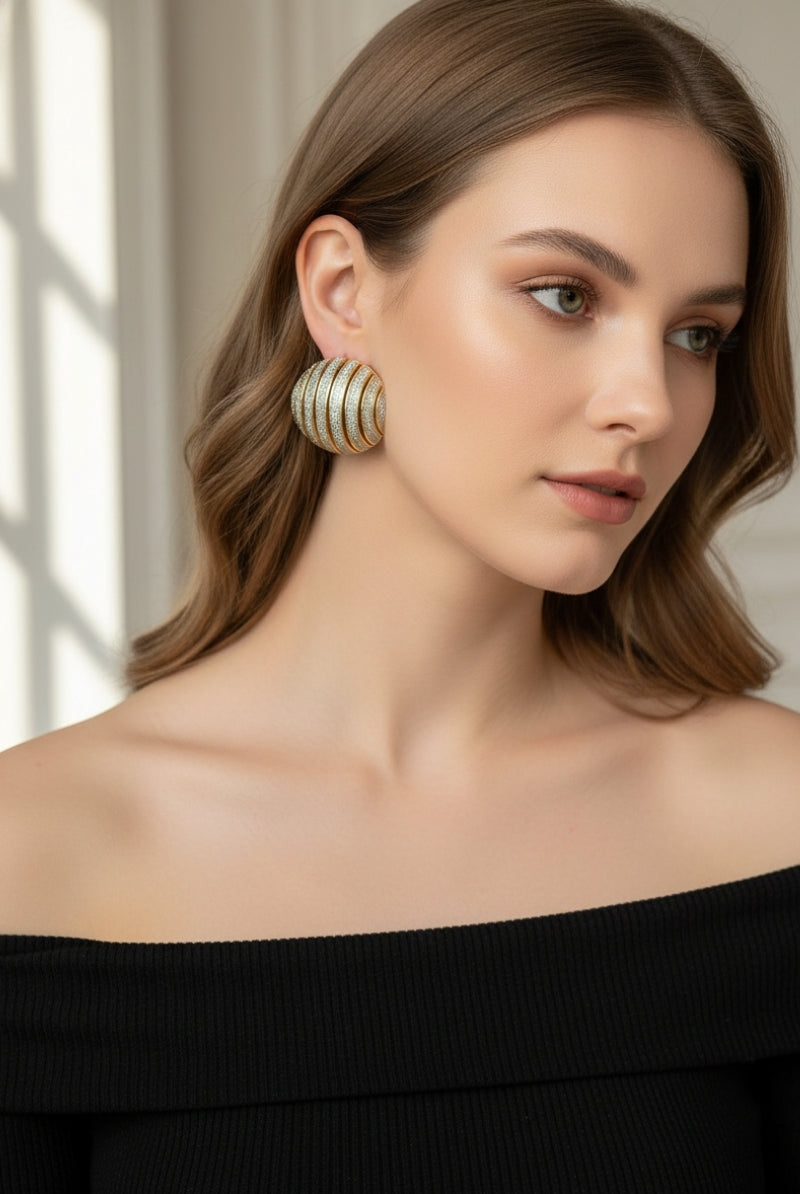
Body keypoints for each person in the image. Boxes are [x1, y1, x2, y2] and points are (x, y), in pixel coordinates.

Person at [1, 0, 798, 1188]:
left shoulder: (769, 819)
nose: (646, 401)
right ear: (342, 291)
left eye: (695, 335)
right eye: (564, 295)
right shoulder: (35, 853)